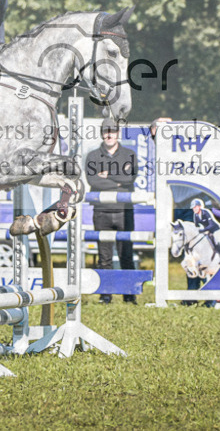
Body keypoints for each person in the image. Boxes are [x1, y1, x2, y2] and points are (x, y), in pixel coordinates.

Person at [85, 117, 138, 304]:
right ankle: (105, 295)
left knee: (126, 255)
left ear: (118, 133)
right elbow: (93, 182)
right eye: (106, 131)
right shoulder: (92, 156)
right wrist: (118, 179)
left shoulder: (129, 154)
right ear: (102, 133)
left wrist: (108, 175)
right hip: (101, 212)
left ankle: (129, 296)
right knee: (104, 257)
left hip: (124, 211)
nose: (109, 134)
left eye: (113, 131)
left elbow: (130, 178)